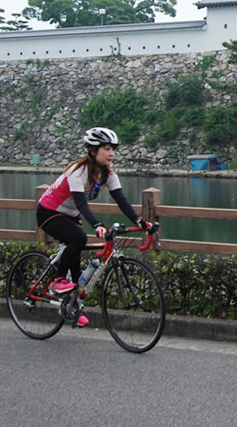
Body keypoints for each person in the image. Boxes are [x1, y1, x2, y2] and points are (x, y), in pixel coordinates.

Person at [36, 127, 151, 327]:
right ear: (92, 151)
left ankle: (71, 306)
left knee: (77, 258)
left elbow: (122, 201)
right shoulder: (78, 171)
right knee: (79, 239)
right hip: (49, 212)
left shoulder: (108, 175)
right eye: (106, 148)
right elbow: (82, 204)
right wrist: (97, 225)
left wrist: (141, 221)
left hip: (70, 215)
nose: (111, 153)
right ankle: (57, 280)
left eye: (113, 149)